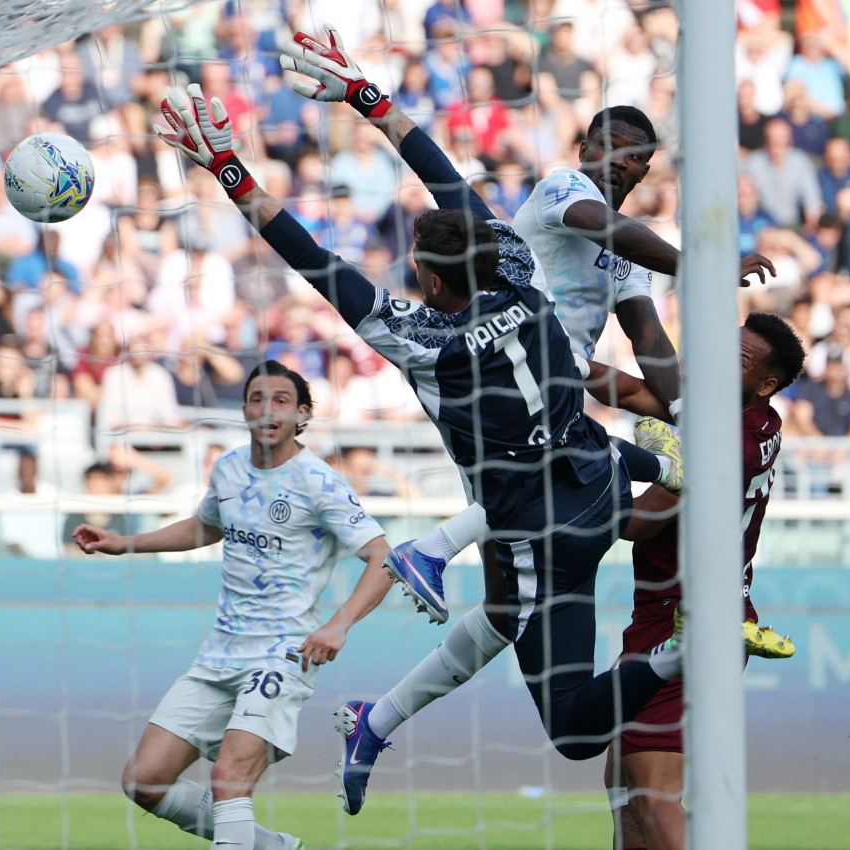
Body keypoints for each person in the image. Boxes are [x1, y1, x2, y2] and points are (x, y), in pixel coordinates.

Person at [272, 26, 784, 812]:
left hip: (559, 412)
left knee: (511, 607)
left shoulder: (623, 261)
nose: (621, 163)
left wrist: (687, 412)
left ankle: (377, 718)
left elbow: (649, 340)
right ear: (584, 148)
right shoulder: (560, 192)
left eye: (636, 158)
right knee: (588, 511)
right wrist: (704, 265)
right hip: (505, 398)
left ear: (646, 169)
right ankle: (432, 554)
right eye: (610, 148)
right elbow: (591, 224)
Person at [154, 70, 688, 819]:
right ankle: (667, 472)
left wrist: (227, 168)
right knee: (524, 583)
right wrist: (371, 101)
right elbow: (448, 183)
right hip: (598, 481)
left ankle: (671, 643)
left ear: (429, 282)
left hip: (538, 530)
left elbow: (311, 258)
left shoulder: (421, 339)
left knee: (571, 727)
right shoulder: (526, 277)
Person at [73, 361, 393, 848]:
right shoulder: (228, 468)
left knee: (229, 777)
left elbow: (383, 557)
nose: (267, 410)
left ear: (302, 414)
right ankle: (273, 846)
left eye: (281, 401)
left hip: (283, 653)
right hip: (219, 655)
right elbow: (206, 526)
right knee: (145, 781)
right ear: (244, 409)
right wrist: (125, 543)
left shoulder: (319, 481)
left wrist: (338, 624)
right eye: (257, 399)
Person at [601, 312, 804, 850]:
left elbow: (636, 523)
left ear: (765, 384)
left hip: (685, 623)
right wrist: (556, 364)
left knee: (653, 796)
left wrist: (588, 477)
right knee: (623, 783)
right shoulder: (747, 419)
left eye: (738, 359)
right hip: (689, 613)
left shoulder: (722, 445)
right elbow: (631, 390)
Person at [743, 118, 825, 231]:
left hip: (792, 225)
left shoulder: (800, 161)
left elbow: (812, 200)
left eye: (781, 138)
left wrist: (810, 226)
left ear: (789, 140)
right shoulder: (754, 162)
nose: (776, 143)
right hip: (761, 225)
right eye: (772, 139)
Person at [791, 354, 850, 436]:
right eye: (830, 366)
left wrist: (847, 443)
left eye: (837, 367)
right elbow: (801, 415)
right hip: (813, 440)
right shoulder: (810, 390)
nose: (834, 371)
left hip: (843, 441)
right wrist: (816, 439)